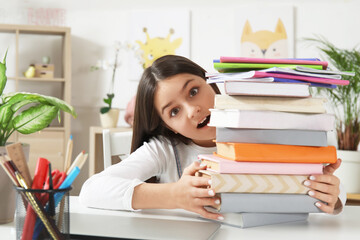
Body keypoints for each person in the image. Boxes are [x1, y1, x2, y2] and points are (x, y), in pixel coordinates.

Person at [80, 55, 346, 220]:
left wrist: (333, 197)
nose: (192, 110)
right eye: (174, 111)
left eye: (194, 91)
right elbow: (92, 190)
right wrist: (175, 195)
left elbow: (331, 190)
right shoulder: (164, 150)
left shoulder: (261, 127)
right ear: (168, 126)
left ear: (212, 82)